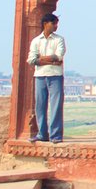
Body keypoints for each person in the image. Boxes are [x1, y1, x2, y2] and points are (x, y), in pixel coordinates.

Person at [27, 13, 66, 143]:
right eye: (54, 23)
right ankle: (42, 134)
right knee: (40, 105)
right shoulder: (36, 41)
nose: (56, 26)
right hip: (40, 76)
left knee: (56, 105)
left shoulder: (59, 39)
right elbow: (31, 60)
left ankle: (55, 135)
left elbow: (59, 57)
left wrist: (41, 59)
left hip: (55, 75)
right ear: (45, 24)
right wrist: (51, 59)